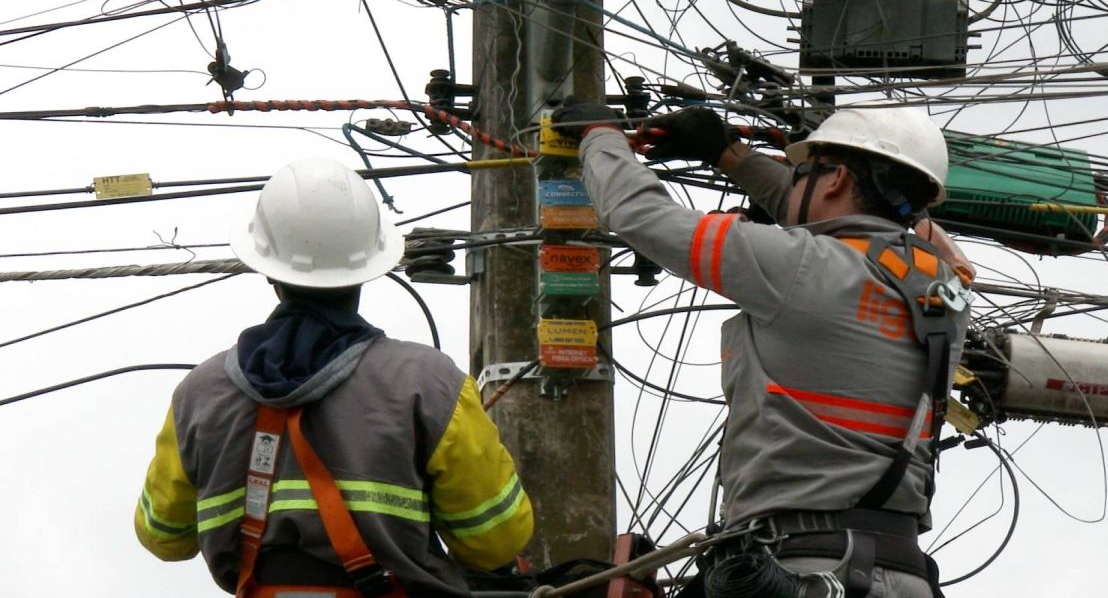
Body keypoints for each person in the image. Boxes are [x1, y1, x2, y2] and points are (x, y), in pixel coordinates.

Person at [551, 100, 972, 598]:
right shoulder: (946, 290)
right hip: (902, 573)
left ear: (834, 180)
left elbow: (638, 214)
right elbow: (866, 221)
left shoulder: (798, 266)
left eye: (800, 175)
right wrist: (730, 156)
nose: (790, 184)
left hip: (804, 567)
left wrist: (599, 134)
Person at [134, 157, 533, 597]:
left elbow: (164, 536)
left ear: (268, 270)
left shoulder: (198, 395)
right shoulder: (429, 386)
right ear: (371, 267)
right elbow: (495, 542)